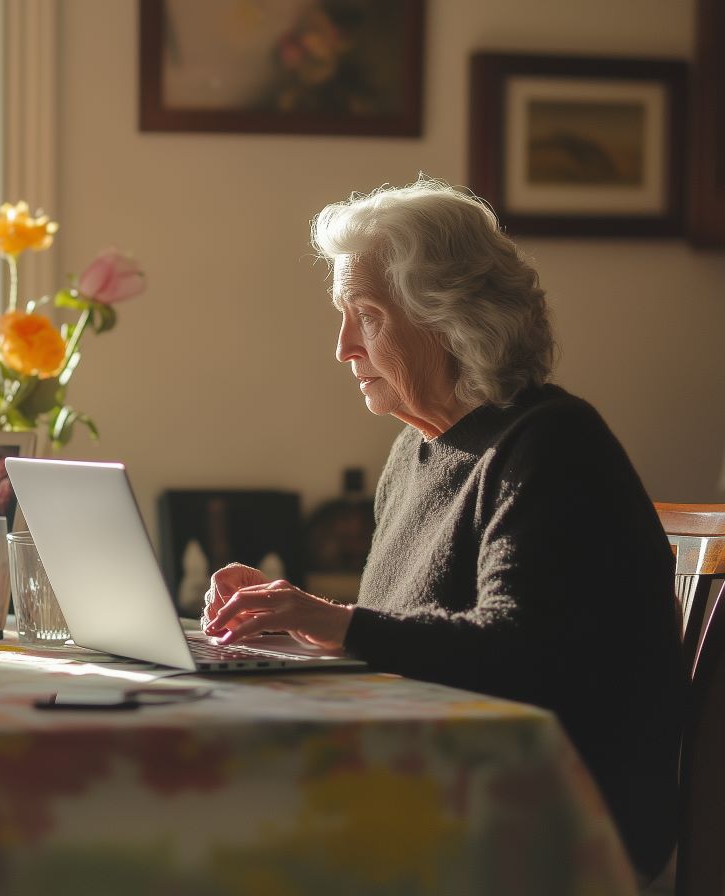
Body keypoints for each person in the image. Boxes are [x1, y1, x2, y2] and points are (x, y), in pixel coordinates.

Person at [202, 177, 683, 882]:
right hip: (438, 780)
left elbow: (524, 653)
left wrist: (338, 623)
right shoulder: (417, 451)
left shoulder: (551, 444)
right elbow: (413, 639)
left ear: (453, 319)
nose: (342, 347)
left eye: (365, 315)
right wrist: (298, 621)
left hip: (547, 820)